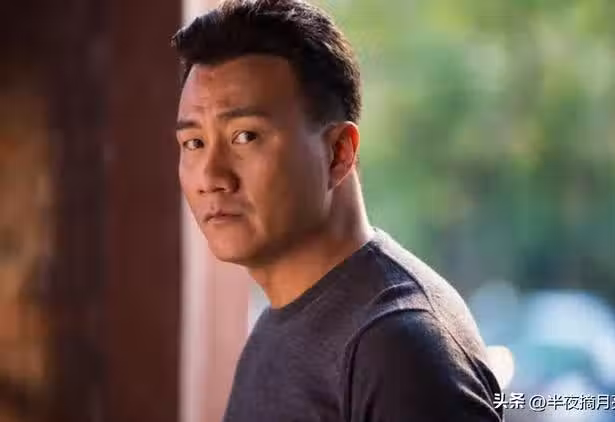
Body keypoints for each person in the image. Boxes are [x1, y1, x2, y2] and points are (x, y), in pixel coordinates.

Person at [172, 0, 504, 420]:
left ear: (338, 153)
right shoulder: (278, 324)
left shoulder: (398, 346)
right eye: (194, 143)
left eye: (245, 136)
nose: (211, 176)